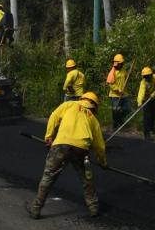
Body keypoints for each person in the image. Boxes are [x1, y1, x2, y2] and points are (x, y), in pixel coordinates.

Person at [26, 92, 107, 220]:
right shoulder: (92, 118)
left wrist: (48, 136)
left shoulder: (69, 104)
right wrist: (103, 162)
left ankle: (36, 209)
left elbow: (54, 116)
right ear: (94, 106)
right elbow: (100, 146)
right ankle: (93, 208)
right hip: (80, 149)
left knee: (48, 177)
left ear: (82, 99)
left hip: (60, 145)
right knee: (86, 179)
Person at [137, 67, 155, 140]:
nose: (147, 77)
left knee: (153, 113)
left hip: (152, 97)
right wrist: (139, 103)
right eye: (145, 76)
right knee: (147, 117)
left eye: (148, 76)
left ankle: (152, 128)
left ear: (151, 74)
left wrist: (154, 93)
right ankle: (146, 134)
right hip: (145, 100)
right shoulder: (143, 82)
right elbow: (141, 93)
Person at [106, 53, 131, 129]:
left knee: (127, 109)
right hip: (115, 95)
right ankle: (115, 126)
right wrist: (118, 90)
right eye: (120, 63)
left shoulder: (123, 70)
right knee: (115, 111)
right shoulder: (112, 72)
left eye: (122, 63)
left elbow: (126, 77)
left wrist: (129, 75)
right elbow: (110, 84)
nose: (122, 64)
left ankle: (119, 120)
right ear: (116, 63)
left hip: (124, 94)